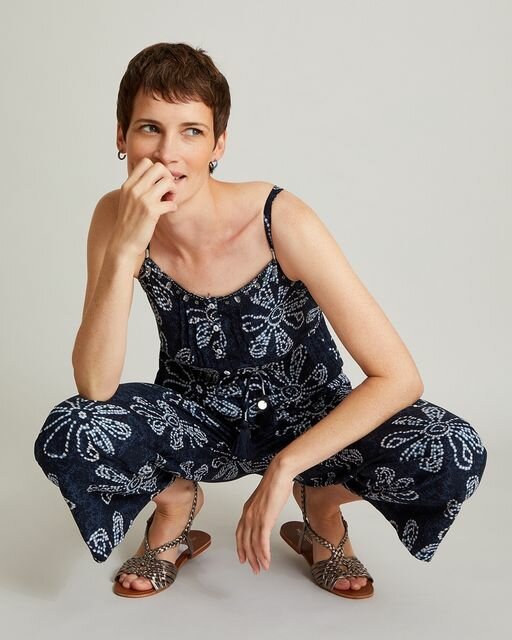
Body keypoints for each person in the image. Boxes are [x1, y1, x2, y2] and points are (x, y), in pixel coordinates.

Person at [33, 41, 487, 600]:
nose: (168, 153)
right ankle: (176, 503)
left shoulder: (280, 219)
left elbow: (399, 377)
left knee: (452, 447)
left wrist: (286, 468)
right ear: (122, 136)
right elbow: (94, 385)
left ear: (218, 144)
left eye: (191, 131)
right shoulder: (115, 216)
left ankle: (320, 504)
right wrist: (126, 247)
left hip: (308, 419)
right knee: (71, 429)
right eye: (150, 128)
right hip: (197, 420)